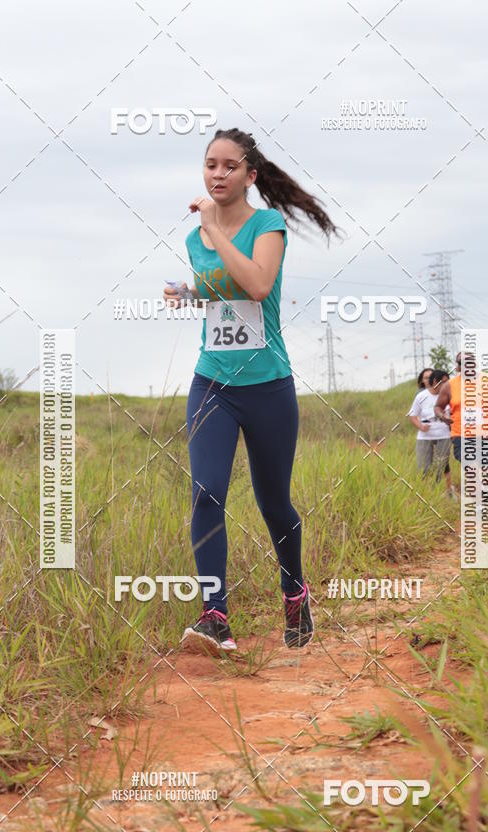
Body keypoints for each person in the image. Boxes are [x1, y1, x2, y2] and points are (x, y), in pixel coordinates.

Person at [163, 127, 341, 655]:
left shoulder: (268, 225)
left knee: (273, 501)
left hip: (268, 386)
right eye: (210, 165)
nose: (217, 174)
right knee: (206, 490)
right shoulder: (197, 238)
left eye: (228, 166)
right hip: (212, 381)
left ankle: (294, 591)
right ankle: (215, 617)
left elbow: (259, 284)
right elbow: (226, 292)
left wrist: (214, 231)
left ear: (250, 175)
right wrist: (189, 291)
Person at [434, 351, 488, 478]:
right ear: (457, 366)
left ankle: (482, 494)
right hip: (461, 435)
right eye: (462, 363)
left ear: (474, 363)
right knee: (472, 467)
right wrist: (442, 416)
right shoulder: (449, 386)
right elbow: (438, 407)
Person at [407, 369, 453, 494]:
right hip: (424, 436)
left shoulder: (449, 396)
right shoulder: (421, 397)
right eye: (443, 383)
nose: (446, 385)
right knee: (424, 468)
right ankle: (425, 494)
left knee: (441, 466)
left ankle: (439, 492)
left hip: (444, 435)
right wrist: (420, 426)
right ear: (435, 382)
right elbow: (412, 415)